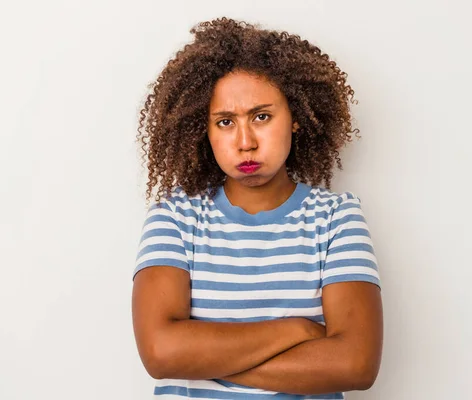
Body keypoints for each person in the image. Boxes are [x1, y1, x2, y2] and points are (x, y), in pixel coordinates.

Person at [131, 17, 383, 399]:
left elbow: (355, 364)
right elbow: (162, 353)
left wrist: (202, 356)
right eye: (225, 122)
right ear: (205, 130)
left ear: (295, 117)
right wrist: (295, 331)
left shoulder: (335, 218)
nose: (245, 142)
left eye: (261, 117)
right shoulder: (176, 217)